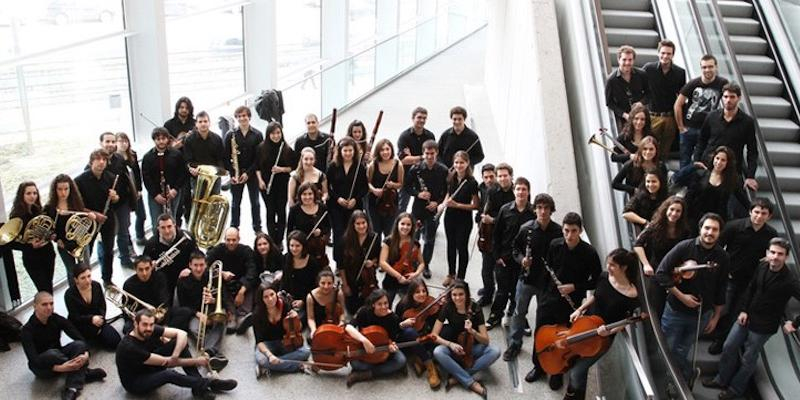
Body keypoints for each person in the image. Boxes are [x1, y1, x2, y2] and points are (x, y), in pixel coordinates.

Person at [701, 238, 800, 400]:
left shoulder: (790, 281)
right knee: (729, 346)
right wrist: (743, 310)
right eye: (773, 252)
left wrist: (795, 324)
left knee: (748, 359)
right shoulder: (762, 265)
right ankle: (721, 379)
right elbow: (751, 288)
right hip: (746, 317)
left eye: (780, 254)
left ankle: (735, 389)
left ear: (786, 257)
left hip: (764, 326)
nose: (775, 257)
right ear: (767, 253)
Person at [526, 212, 602, 390]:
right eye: (566, 230)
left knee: (563, 341)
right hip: (549, 299)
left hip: (570, 304)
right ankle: (538, 366)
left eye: (573, 231)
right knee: (541, 333)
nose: (569, 235)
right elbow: (548, 271)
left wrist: (574, 286)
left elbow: (597, 280)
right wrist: (544, 294)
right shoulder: (555, 245)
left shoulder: (589, 253)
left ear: (580, 231)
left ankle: (557, 372)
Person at [656, 213, 730, 381]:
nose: (710, 232)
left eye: (715, 229)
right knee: (668, 349)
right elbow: (661, 273)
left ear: (719, 233)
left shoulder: (723, 257)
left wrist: (716, 317)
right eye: (707, 228)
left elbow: (721, 288)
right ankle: (684, 375)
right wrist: (682, 297)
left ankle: (678, 379)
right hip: (675, 311)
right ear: (700, 229)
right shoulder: (684, 247)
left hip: (701, 315)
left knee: (684, 348)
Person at [563, 249, 641, 400]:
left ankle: (570, 396)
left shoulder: (631, 294)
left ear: (623, 268)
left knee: (577, 371)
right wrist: (579, 309)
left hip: (602, 338)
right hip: (584, 325)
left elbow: (627, 321)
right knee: (576, 361)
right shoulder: (605, 276)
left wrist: (609, 332)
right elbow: (595, 296)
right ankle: (579, 396)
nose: (608, 267)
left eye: (612, 265)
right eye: (608, 263)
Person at [115, 309, 236, 399]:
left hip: (148, 365)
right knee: (169, 375)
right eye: (145, 325)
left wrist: (175, 354)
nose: (149, 328)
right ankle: (209, 383)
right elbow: (166, 362)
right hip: (136, 382)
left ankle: (198, 387)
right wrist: (197, 361)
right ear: (135, 324)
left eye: (151, 324)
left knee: (178, 344)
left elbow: (182, 334)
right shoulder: (129, 347)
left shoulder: (149, 329)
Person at [708, 198, 776, 354]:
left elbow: (772, 253)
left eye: (763, 213)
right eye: (756, 212)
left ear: (769, 216)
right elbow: (718, 247)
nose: (759, 216)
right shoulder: (734, 226)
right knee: (724, 308)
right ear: (750, 212)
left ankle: (722, 340)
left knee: (736, 312)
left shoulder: (771, 234)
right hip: (730, 277)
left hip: (751, 282)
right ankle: (717, 336)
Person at [502, 193, 562, 360]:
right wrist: (522, 260)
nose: (543, 212)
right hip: (527, 279)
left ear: (552, 210)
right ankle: (515, 344)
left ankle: (541, 348)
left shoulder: (558, 232)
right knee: (519, 312)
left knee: (544, 317)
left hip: (546, 283)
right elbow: (515, 249)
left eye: (546, 208)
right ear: (535, 210)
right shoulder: (526, 229)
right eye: (540, 208)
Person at [22, 291, 106, 400]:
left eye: (51, 304)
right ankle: (84, 372)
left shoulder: (56, 318)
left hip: (60, 355)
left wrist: (86, 354)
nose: (49, 307)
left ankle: (71, 388)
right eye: (44, 304)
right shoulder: (27, 330)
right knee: (52, 353)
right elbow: (34, 360)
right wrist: (61, 368)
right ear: (35, 306)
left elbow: (78, 337)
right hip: (43, 366)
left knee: (79, 345)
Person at [693, 83, 759, 217]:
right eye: (726, 97)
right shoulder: (711, 117)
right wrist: (696, 161)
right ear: (722, 98)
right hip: (708, 167)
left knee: (729, 207)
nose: (728, 100)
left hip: (732, 171)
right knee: (699, 202)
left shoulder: (747, 122)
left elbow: (752, 151)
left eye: (732, 97)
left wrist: (751, 176)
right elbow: (701, 141)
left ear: (738, 98)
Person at [344, 289, 428, 387]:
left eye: (386, 303)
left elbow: (391, 339)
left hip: (382, 349)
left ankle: (366, 374)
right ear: (373, 304)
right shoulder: (364, 312)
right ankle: (386, 369)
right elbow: (348, 327)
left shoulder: (393, 318)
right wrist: (364, 340)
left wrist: (391, 346)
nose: (384, 307)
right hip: (365, 348)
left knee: (400, 361)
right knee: (355, 363)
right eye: (379, 304)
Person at [431, 280, 498, 398]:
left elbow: (486, 340)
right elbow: (434, 335)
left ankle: (458, 377)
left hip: (472, 347)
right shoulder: (448, 307)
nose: (457, 298)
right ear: (450, 295)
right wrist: (450, 344)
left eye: (461, 294)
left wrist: (473, 331)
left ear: (467, 294)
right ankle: (471, 382)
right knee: (438, 352)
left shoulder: (476, 308)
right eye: (454, 295)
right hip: (456, 347)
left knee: (495, 351)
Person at [486, 177, 535, 329]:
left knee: (518, 293)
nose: (521, 192)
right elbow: (496, 234)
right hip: (505, 258)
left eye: (524, 189)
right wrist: (497, 257)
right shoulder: (505, 209)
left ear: (528, 192)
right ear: (514, 191)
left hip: (522, 261)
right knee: (502, 291)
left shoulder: (533, 212)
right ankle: (495, 317)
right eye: (518, 189)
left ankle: (519, 319)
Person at [633, 196, 692, 316]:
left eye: (678, 211)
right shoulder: (654, 226)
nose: (674, 213)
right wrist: (646, 264)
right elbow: (638, 244)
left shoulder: (684, 230)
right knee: (657, 303)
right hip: (657, 270)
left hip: (675, 271)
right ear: (666, 209)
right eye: (672, 209)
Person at [674, 54, 729, 168]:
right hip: (689, 128)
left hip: (709, 129)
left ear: (716, 67)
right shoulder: (693, 84)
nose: (707, 70)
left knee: (704, 160)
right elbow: (678, 105)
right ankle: (682, 183)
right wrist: (681, 127)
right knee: (685, 160)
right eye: (704, 67)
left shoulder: (722, 83)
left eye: (710, 66)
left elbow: (730, 99)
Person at [74, 149, 119, 286]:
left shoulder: (111, 177)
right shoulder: (80, 180)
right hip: (88, 220)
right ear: (91, 161)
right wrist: (94, 214)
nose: (101, 162)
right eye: (98, 159)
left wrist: (114, 197)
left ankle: (107, 279)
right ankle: (85, 279)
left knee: (108, 250)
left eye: (104, 160)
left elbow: (117, 200)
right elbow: (76, 206)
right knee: (87, 251)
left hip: (107, 218)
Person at [176, 252, 229, 366]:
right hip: (195, 314)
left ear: (206, 265)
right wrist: (199, 314)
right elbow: (183, 305)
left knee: (222, 319)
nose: (199, 268)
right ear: (190, 265)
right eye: (195, 265)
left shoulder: (214, 276)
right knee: (195, 329)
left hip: (212, 309)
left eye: (201, 265)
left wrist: (213, 300)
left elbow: (225, 300)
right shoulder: (183, 281)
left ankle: (208, 352)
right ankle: (214, 352)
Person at [406, 139, 448, 278]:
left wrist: (437, 202)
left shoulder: (443, 170)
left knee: (429, 240)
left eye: (432, 153)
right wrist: (418, 194)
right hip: (418, 209)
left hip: (432, 210)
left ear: (436, 153)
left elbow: (446, 191)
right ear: (423, 154)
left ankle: (425, 265)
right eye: (427, 153)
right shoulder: (416, 169)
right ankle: (412, 263)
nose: (429, 156)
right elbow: (406, 187)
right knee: (414, 238)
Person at [675, 146, 746, 228]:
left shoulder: (732, 180)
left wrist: (753, 209)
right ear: (713, 158)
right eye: (717, 158)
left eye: (723, 160)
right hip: (694, 218)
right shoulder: (700, 174)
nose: (719, 162)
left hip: (717, 220)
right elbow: (689, 196)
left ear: (728, 163)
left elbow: (741, 198)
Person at [252, 283, 312, 378]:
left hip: (285, 341)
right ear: (261, 299)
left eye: (272, 294)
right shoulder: (257, 314)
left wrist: (296, 318)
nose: (270, 299)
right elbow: (259, 341)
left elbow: (298, 329)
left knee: (306, 352)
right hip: (267, 344)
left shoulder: (284, 305)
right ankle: (298, 365)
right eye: (266, 297)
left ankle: (268, 366)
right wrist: (270, 355)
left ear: (276, 294)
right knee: (262, 359)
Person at [95, 132, 135, 269]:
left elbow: (126, 180)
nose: (110, 144)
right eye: (107, 141)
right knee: (105, 239)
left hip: (121, 203)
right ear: (101, 143)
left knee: (123, 233)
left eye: (113, 142)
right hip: (105, 208)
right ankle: (105, 268)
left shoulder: (119, 158)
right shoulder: (96, 161)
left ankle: (125, 259)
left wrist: (126, 200)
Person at [206, 227, 258, 334]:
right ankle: (232, 315)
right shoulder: (217, 250)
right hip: (226, 285)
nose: (231, 243)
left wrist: (242, 291)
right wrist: (222, 273)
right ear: (224, 239)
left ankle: (242, 316)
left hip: (242, 283)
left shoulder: (246, 251)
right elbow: (206, 265)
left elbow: (252, 271)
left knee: (251, 283)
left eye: (234, 240)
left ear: (239, 239)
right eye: (228, 240)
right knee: (220, 285)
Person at [326, 136, 369, 265]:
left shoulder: (359, 167)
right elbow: (327, 186)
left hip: (353, 206)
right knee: (339, 234)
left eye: (350, 150)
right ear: (340, 151)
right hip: (336, 206)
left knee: (352, 234)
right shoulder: (333, 166)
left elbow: (364, 188)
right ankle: (339, 263)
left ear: (354, 151)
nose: (348, 153)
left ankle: (351, 261)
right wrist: (337, 198)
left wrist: (355, 199)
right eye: (345, 151)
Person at [44, 174, 91, 287]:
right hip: (64, 245)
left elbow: (83, 221)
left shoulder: (76, 203)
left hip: (80, 242)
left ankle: (88, 292)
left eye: (66, 189)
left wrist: (90, 217)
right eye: (60, 189)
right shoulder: (50, 208)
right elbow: (50, 229)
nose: (63, 192)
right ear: (55, 190)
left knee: (85, 269)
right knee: (71, 272)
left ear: (71, 189)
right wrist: (55, 238)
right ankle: (75, 296)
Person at [394, 278, 443, 388]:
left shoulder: (431, 302)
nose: (422, 294)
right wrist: (402, 324)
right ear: (411, 293)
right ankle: (430, 367)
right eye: (417, 292)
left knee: (442, 332)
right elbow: (394, 329)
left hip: (424, 336)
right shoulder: (402, 306)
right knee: (410, 332)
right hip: (408, 340)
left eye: (424, 291)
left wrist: (441, 307)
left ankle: (419, 360)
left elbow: (436, 321)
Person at [8, 181, 55, 293]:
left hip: (48, 254)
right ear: (21, 195)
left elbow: (47, 228)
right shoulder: (16, 216)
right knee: (44, 290)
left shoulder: (39, 210)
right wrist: (30, 245)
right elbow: (11, 243)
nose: (32, 196)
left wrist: (50, 235)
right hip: (33, 259)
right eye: (28, 193)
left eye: (34, 193)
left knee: (49, 287)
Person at [441, 151, 479, 285]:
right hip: (449, 216)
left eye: (462, 162)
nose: (458, 165)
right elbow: (448, 193)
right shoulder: (451, 176)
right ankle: (451, 273)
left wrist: (457, 205)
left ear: (467, 163)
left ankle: (460, 278)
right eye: (456, 162)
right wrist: (443, 204)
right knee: (450, 245)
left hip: (464, 219)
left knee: (461, 247)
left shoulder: (472, 182)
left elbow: (475, 205)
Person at [224, 105, 264, 234]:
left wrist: (248, 173)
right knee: (235, 203)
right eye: (239, 116)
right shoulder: (230, 135)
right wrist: (232, 174)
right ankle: (234, 227)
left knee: (255, 202)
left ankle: (257, 228)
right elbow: (225, 157)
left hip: (251, 173)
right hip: (236, 174)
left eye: (244, 116)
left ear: (249, 117)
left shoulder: (258, 134)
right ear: (236, 118)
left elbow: (259, 158)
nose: (242, 118)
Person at [143, 213, 198, 307]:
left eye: (169, 226)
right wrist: (150, 264)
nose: (167, 231)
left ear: (174, 225)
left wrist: (190, 270)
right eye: (163, 228)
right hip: (165, 278)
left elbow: (197, 256)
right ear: (158, 228)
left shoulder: (187, 238)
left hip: (185, 274)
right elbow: (144, 262)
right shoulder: (151, 244)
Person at [643, 39, 686, 156]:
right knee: (648, 148)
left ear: (673, 55)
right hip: (653, 116)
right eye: (663, 53)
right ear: (658, 53)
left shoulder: (680, 72)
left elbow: (681, 96)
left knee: (665, 150)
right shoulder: (648, 69)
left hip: (670, 118)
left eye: (668, 53)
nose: (665, 56)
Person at [256, 121, 297, 245]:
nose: (276, 136)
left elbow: (293, 167)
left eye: (278, 133)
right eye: (273, 133)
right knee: (270, 211)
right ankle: (272, 240)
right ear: (268, 134)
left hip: (282, 185)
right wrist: (260, 181)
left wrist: (281, 169)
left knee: (281, 211)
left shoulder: (286, 149)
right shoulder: (261, 148)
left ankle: (279, 240)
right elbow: (257, 167)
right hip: (266, 185)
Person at [142, 127, 189, 231]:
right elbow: (146, 178)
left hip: (173, 193)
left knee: (172, 220)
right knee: (157, 223)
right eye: (158, 139)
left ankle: (172, 244)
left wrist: (175, 190)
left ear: (168, 139)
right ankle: (158, 245)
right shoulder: (147, 157)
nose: (161, 141)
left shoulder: (176, 154)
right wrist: (155, 195)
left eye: (163, 138)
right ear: (154, 140)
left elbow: (182, 174)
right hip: (155, 196)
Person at [64, 264, 121, 350]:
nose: (87, 280)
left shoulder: (96, 285)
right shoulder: (69, 294)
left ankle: (96, 336)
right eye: (83, 278)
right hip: (81, 324)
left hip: (97, 321)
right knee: (83, 346)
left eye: (89, 276)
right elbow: (74, 316)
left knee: (115, 341)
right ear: (76, 280)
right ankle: (94, 336)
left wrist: (100, 318)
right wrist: (91, 319)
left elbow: (102, 305)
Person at [339, 210, 381, 314]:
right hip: (351, 279)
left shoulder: (374, 238)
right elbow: (341, 265)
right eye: (358, 223)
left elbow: (378, 257)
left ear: (367, 223)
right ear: (352, 225)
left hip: (368, 279)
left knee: (371, 308)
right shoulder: (345, 240)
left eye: (363, 223)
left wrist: (373, 262)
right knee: (352, 310)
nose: (361, 226)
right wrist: (345, 285)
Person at [380, 212, 426, 305]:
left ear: (412, 226)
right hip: (391, 277)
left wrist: (416, 274)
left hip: (408, 278)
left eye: (408, 224)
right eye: (402, 224)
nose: (405, 227)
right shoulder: (388, 241)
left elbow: (422, 263)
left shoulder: (415, 243)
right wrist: (398, 276)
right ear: (397, 224)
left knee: (407, 306)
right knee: (386, 304)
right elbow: (382, 262)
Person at [397, 107, 435, 212]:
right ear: (413, 118)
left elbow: (432, 157)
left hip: (424, 175)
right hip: (407, 175)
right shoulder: (404, 136)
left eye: (424, 118)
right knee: (402, 206)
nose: (422, 120)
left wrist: (412, 157)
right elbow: (403, 160)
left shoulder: (430, 135)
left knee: (423, 207)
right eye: (419, 117)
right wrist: (423, 157)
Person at [286, 181, 331, 268]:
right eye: (304, 194)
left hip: (318, 248)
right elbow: (289, 231)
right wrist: (291, 250)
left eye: (310, 194)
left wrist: (321, 231)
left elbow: (328, 227)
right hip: (300, 248)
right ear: (300, 195)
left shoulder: (322, 208)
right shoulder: (294, 210)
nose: (307, 197)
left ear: (314, 194)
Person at [280, 230, 323, 321]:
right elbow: (285, 279)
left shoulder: (312, 262)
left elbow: (315, 285)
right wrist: (281, 293)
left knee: (297, 321)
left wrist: (303, 301)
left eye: (297, 246)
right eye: (291, 245)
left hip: (306, 299)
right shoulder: (286, 258)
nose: (294, 249)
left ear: (303, 246)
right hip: (290, 297)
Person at [122, 256, 170, 334]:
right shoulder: (128, 284)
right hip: (139, 319)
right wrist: (135, 318)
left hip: (157, 316)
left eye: (147, 269)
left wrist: (162, 315)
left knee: (182, 313)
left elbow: (165, 300)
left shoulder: (160, 277)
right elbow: (126, 308)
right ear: (135, 269)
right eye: (140, 270)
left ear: (151, 267)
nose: (144, 273)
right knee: (127, 328)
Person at [605, 45, 650, 128]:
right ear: (619, 60)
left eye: (630, 60)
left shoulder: (642, 74)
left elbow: (649, 93)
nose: (627, 63)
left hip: (641, 117)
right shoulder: (611, 80)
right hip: (624, 120)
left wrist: (641, 103)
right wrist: (624, 114)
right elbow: (609, 102)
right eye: (624, 60)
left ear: (633, 60)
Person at [367, 139, 404, 238]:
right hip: (375, 202)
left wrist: (393, 185)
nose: (385, 152)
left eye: (387, 149)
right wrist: (374, 190)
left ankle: (388, 252)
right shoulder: (373, 165)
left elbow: (400, 184)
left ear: (391, 150)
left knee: (389, 232)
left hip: (391, 202)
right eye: (382, 150)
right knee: (376, 232)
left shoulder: (398, 164)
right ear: (378, 152)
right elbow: (368, 183)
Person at [183, 110, 226, 196]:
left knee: (214, 203)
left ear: (209, 123)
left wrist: (218, 172)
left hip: (214, 178)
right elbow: (188, 160)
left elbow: (221, 159)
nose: (203, 124)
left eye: (205, 121)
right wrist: (191, 169)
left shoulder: (217, 139)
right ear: (196, 124)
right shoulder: (189, 140)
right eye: (200, 121)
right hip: (198, 177)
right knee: (198, 204)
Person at [115, 132, 146, 246]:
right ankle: (129, 245)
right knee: (125, 223)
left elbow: (137, 173)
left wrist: (139, 189)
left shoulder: (133, 155)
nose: (123, 144)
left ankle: (140, 236)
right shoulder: (115, 160)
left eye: (125, 141)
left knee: (142, 215)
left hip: (135, 192)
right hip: (124, 195)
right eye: (120, 141)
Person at [474, 164, 496, 305]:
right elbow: (482, 205)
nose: (488, 180)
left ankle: (489, 294)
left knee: (490, 268)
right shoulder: (482, 187)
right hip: (485, 231)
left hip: (496, 233)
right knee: (486, 267)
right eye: (486, 177)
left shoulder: (499, 191)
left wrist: (491, 220)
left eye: (491, 177)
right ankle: (488, 288)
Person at [306, 270, 346, 338]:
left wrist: (341, 322)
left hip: (335, 324)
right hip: (319, 325)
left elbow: (342, 313)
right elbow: (310, 318)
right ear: (318, 283)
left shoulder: (338, 293)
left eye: (329, 283)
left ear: (333, 283)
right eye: (323, 283)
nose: (326, 286)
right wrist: (313, 329)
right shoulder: (310, 297)